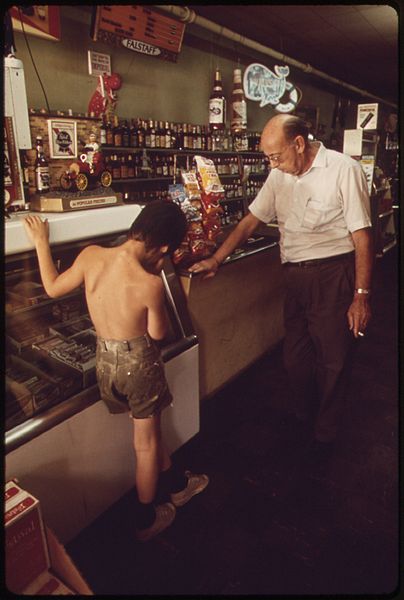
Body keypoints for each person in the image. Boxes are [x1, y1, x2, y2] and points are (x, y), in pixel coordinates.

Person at [189, 114, 373, 467]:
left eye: (275, 156)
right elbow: (251, 220)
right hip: (294, 277)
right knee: (295, 358)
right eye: (268, 158)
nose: (272, 164)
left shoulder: (342, 169)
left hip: (333, 275)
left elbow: (362, 236)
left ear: (299, 143)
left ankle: (326, 432)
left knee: (334, 359)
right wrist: (217, 258)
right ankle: (305, 414)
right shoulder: (279, 175)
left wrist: (361, 295)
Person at [24, 200, 209, 541]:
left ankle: (177, 485)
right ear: (164, 246)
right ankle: (145, 519)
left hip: (105, 363)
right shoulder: (148, 282)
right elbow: (157, 334)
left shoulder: (91, 255)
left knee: (148, 433)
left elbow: (51, 287)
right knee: (145, 444)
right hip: (137, 365)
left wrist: (40, 242)